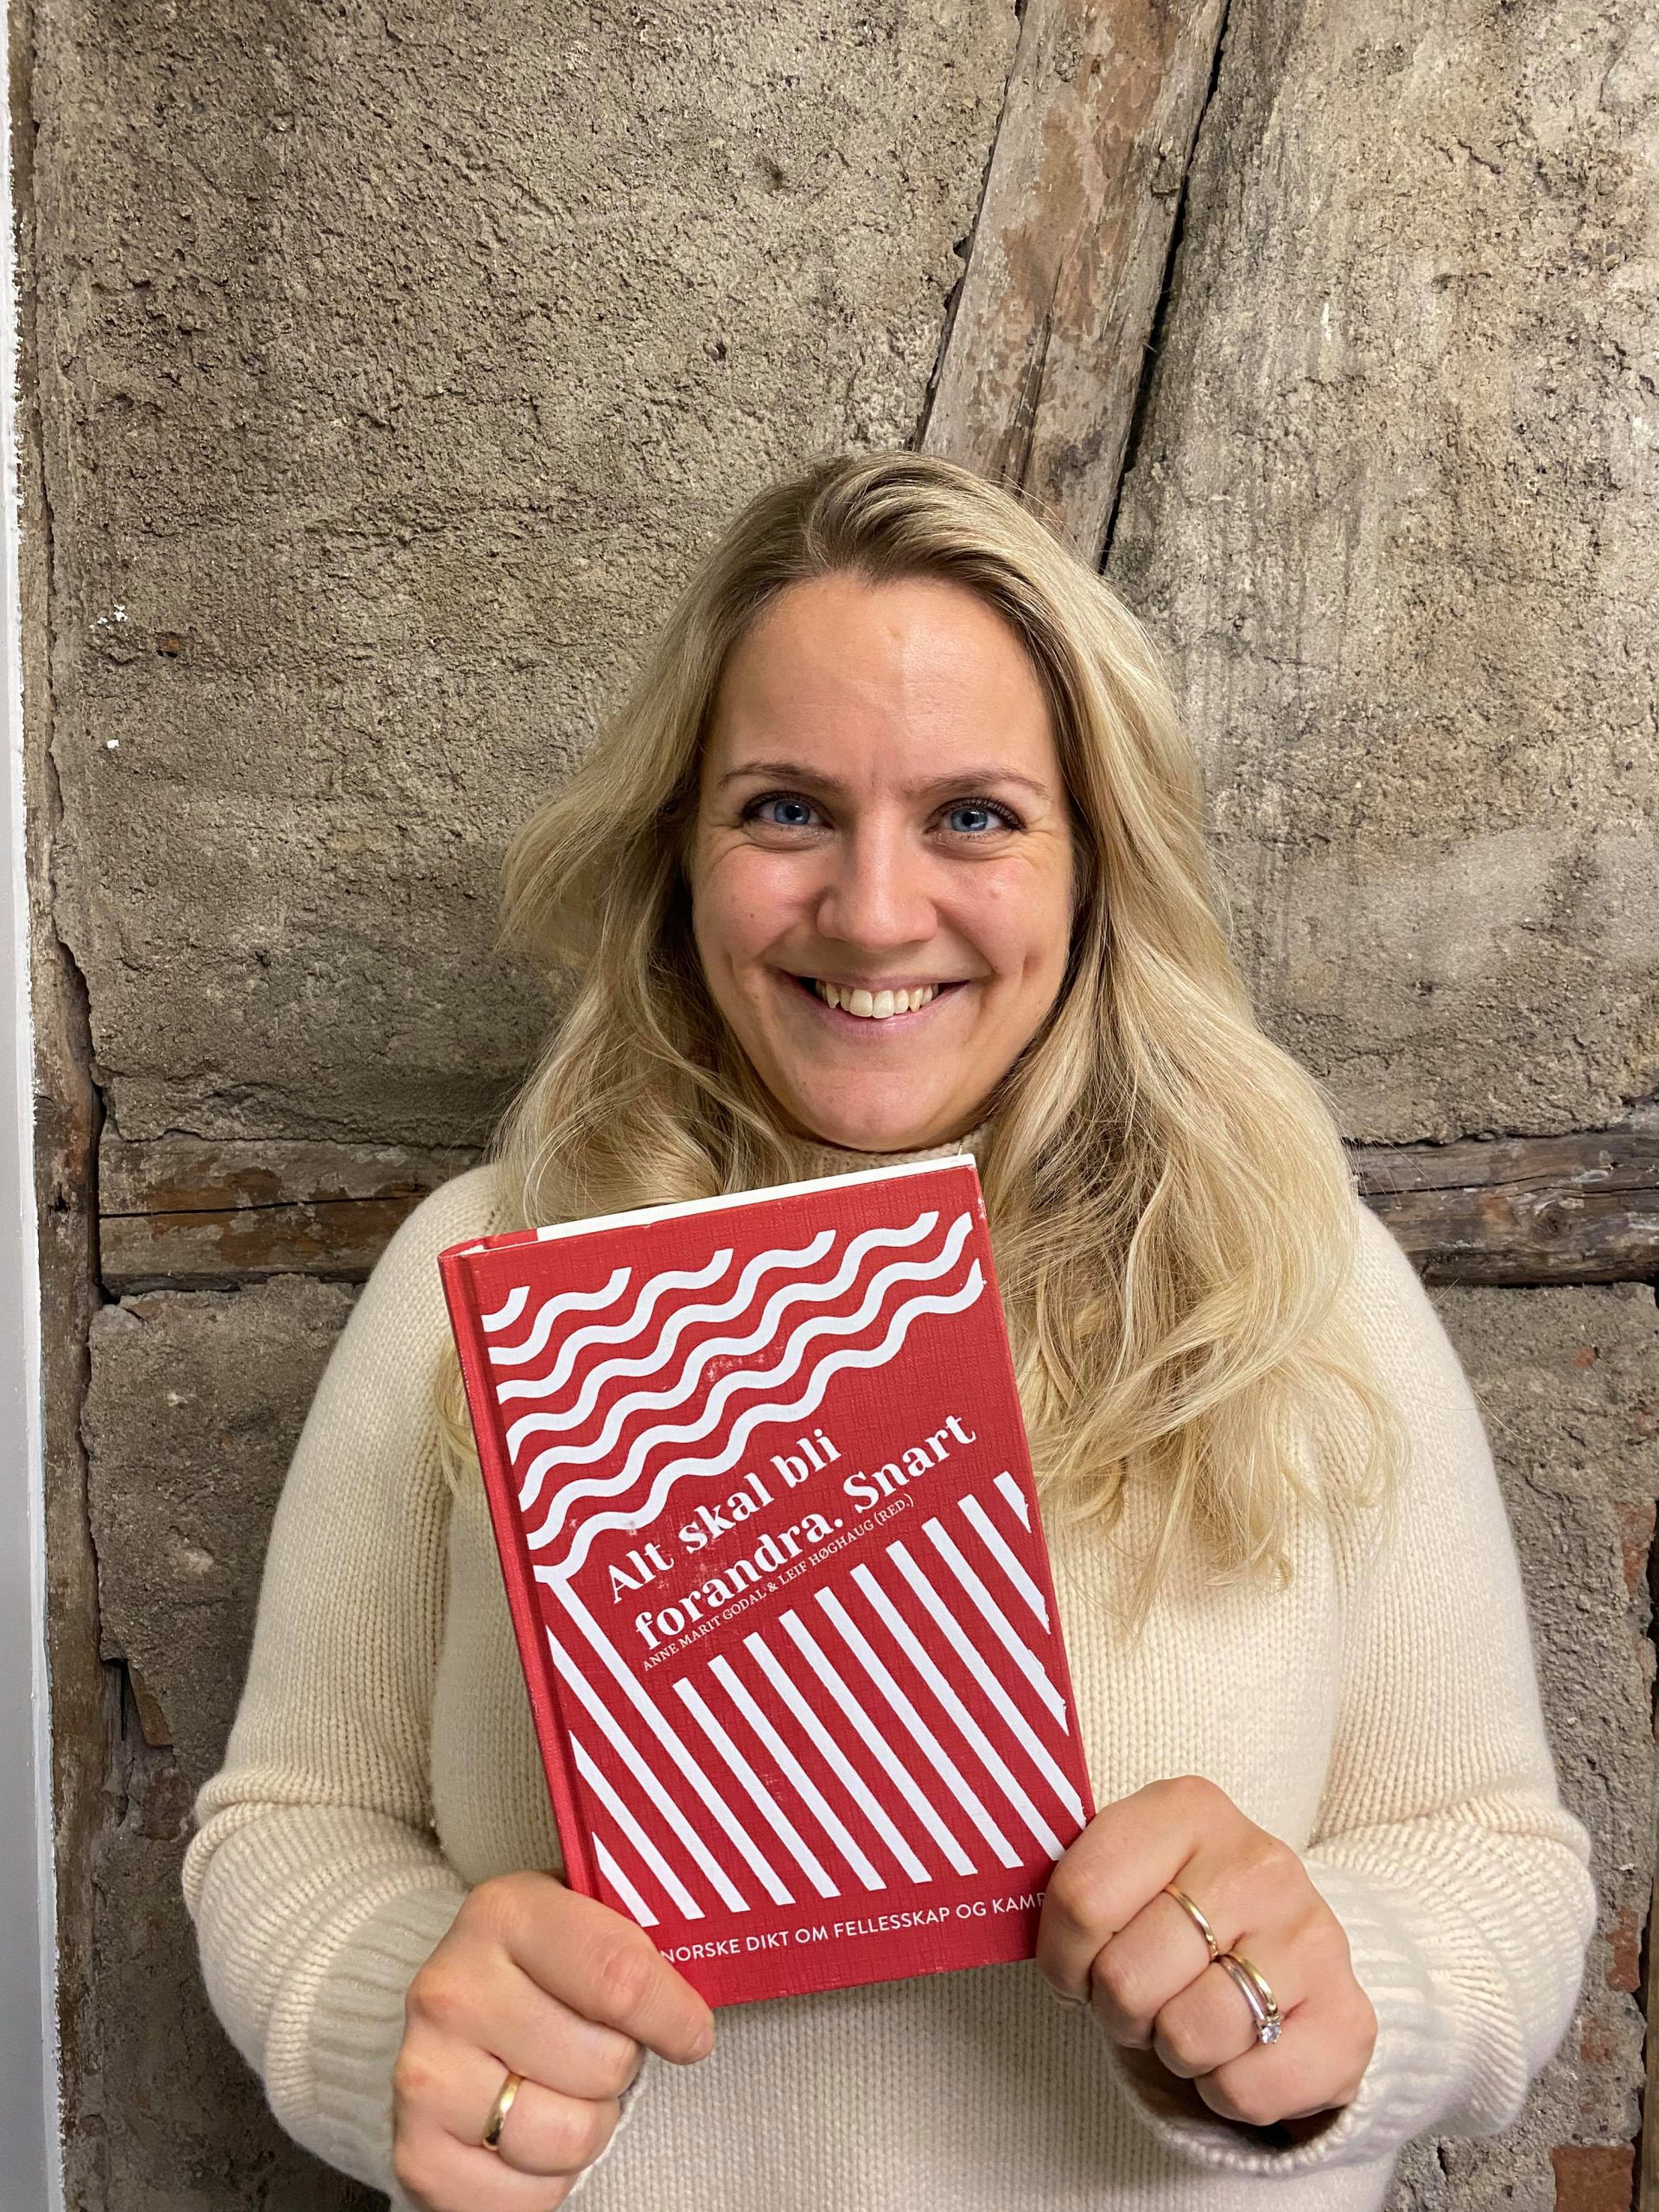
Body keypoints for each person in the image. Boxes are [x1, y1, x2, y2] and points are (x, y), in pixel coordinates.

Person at [181, 449, 1597, 2212]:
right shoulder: (480, 1269)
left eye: (974, 816)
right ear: (678, 850)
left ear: (1095, 864)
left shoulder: (1293, 1282)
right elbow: (291, 1822)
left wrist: (1333, 1997)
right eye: (785, 809)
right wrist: (394, 2004)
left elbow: (1497, 1857)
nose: (869, 911)